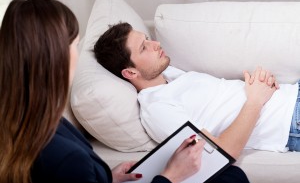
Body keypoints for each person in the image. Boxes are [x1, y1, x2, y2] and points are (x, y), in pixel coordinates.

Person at [0, 0, 253, 183]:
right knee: (230, 180)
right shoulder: (65, 156)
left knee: (228, 178)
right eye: (75, 46)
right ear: (58, 59)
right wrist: (170, 177)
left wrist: (108, 177)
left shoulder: (34, 123)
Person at [94, 22, 299, 159]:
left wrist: (259, 84)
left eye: (148, 39)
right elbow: (219, 154)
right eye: (143, 47)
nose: (155, 44)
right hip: (290, 121)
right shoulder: (157, 111)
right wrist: (255, 100)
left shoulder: (167, 74)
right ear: (129, 73)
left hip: (292, 93)